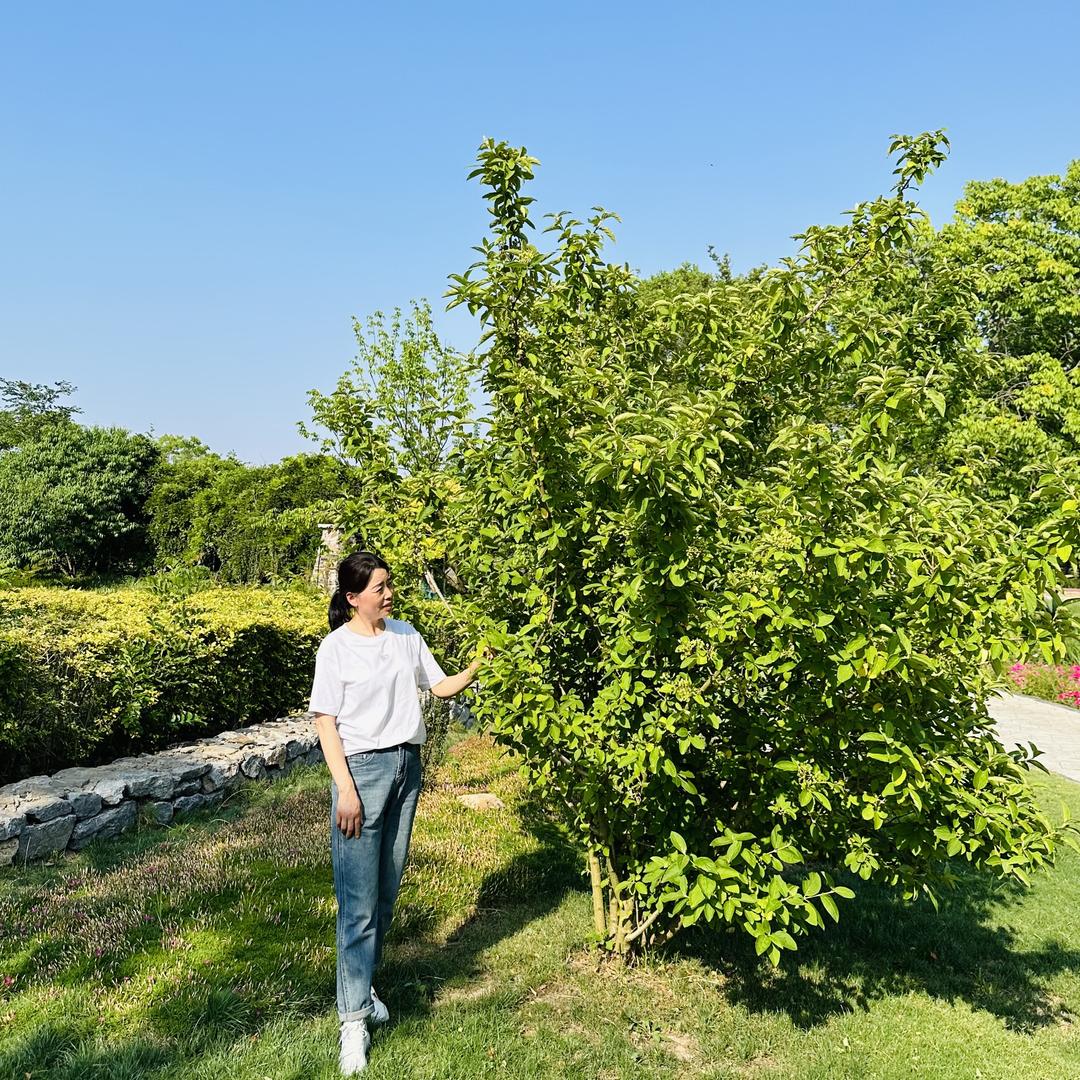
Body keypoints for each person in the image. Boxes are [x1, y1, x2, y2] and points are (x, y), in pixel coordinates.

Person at [309, 551, 483, 1075]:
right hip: (362, 772)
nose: (389, 594)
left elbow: (439, 686)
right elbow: (324, 722)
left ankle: (365, 990)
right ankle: (352, 1022)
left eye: (390, 585)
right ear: (352, 598)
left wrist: (479, 667)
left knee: (384, 892)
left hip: (408, 767)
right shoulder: (335, 649)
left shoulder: (405, 634)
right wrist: (346, 789)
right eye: (379, 588)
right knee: (357, 902)